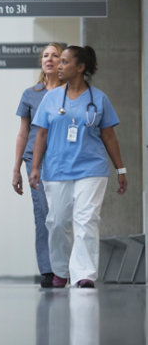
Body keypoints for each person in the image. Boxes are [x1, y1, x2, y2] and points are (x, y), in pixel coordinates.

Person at [29, 45, 127, 288]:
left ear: (80, 67)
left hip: (91, 169)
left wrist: (120, 169)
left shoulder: (99, 98)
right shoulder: (51, 98)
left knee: (86, 220)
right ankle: (60, 270)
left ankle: (84, 274)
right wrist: (35, 167)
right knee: (58, 222)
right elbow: (40, 135)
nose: (59, 66)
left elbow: (109, 136)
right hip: (57, 169)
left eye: (64, 62)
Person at [12, 42, 64, 287]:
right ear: (41, 62)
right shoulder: (30, 94)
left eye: (55, 55)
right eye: (46, 55)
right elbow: (23, 132)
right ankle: (48, 269)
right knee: (43, 213)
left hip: (64, 159)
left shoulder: (70, 92)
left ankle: (64, 266)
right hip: (35, 160)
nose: (50, 59)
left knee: (62, 214)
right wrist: (15, 169)